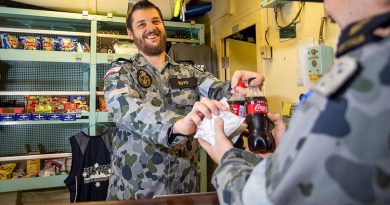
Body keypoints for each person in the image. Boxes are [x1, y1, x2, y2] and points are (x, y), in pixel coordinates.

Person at [199, 0, 390, 204]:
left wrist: (227, 157)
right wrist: (284, 155)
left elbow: (264, 200)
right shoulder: (369, 61)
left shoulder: (369, 70)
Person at [103, 0, 263, 200]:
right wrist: (175, 124)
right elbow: (124, 108)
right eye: (141, 24)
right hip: (136, 190)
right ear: (130, 33)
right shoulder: (121, 72)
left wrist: (240, 86)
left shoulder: (189, 72)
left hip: (184, 188)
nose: (151, 28)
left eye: (155, 21)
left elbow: (219, 90)